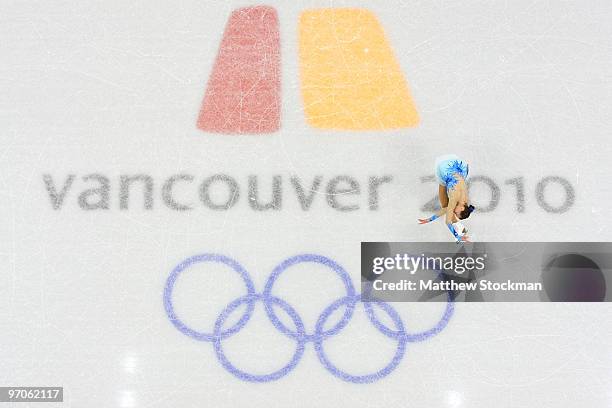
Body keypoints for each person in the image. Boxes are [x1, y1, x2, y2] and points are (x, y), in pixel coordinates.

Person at [418, 154, 475, 242]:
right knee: (445, 201)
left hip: (459, 166)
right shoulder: (454, 199)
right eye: (457, 213)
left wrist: (429, 219)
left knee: (447, 204)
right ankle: (459, 227)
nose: (455, 212)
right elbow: (447, 221)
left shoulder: (465, 201)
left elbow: (447, 210)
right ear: (462, 208)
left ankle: (459, 227)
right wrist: (457, 237)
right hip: (445, 168)